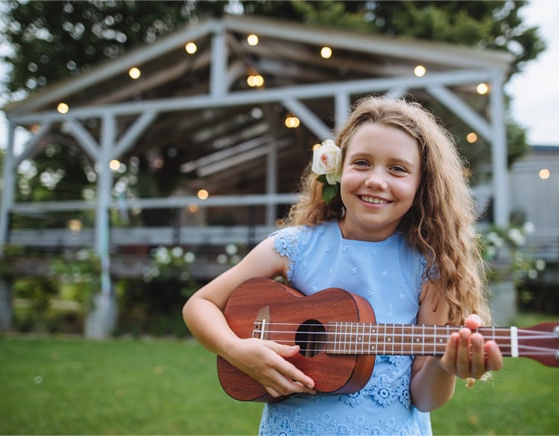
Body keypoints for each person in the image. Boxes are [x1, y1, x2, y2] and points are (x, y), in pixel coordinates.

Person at [183, 96, 504, 435]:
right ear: (338, 169)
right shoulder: (296, 246)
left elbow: (425, 399)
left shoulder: (428, 267)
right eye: (362, 163)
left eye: (397, 168)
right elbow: (199, 304)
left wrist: (444, 364)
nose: (376, 180)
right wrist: (236, 350)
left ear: (422, 184)